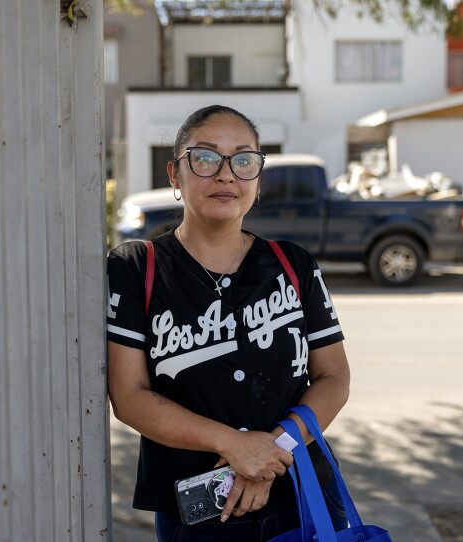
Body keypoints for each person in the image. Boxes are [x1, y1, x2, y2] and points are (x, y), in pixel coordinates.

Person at [107, 104, 351, 541]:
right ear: (174, 175)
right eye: (205, 158)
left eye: (243, 159)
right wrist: (232, 445)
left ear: (258, 178)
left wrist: (274, 450)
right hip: (200, 516)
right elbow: (129, 397)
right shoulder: (135, 268)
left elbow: (333, 377)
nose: (226, 174)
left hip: (304, 496)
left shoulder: (292, 264)